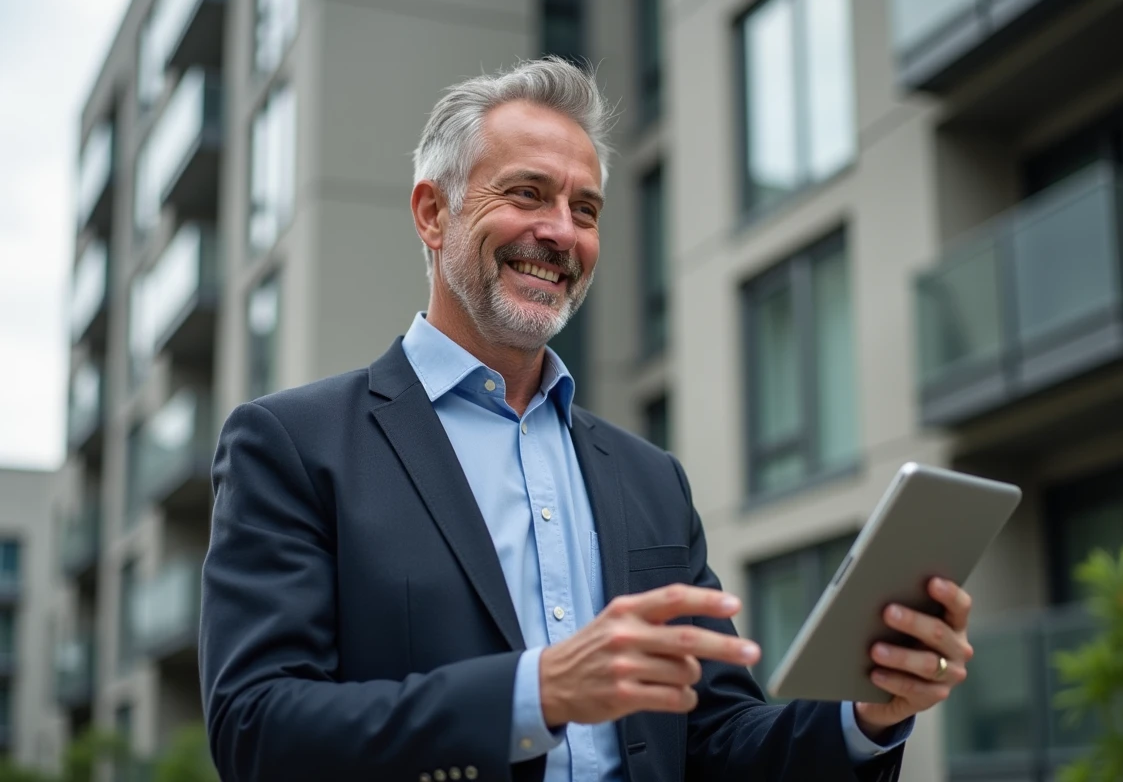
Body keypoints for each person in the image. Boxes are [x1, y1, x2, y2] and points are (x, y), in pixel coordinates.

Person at [199, 58, 975, 782]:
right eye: (528, 194)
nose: (562, 233)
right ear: (433, 214)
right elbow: (256, 726)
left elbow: (712, 738)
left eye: (586, 208)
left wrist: (864, 718)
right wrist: (535, 693)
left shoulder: (651, 479)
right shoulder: (294, 446)